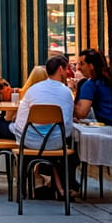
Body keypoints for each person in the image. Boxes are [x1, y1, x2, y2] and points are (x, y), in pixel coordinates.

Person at [9, 55, 79, 196]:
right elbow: (67, 126)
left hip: (29, 142)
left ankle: (35, 182)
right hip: (55, 143)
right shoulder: (67, 92)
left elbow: (20, 123)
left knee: (11, 127)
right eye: (67, 69)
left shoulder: (33, 90)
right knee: (71, 149)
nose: (67, 73)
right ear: (60, 69)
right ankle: (63, 186)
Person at [0, 65, 47, 139]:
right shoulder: (51, 97)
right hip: (47, 135)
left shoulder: (25, 94)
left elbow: (9, 118)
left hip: (24, 135)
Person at [74, 49, 112, 124]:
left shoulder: (90, 85)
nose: (78, 68)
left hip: (108, 127)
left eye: (82, 64)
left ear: (91, 66)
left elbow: (82, 113)